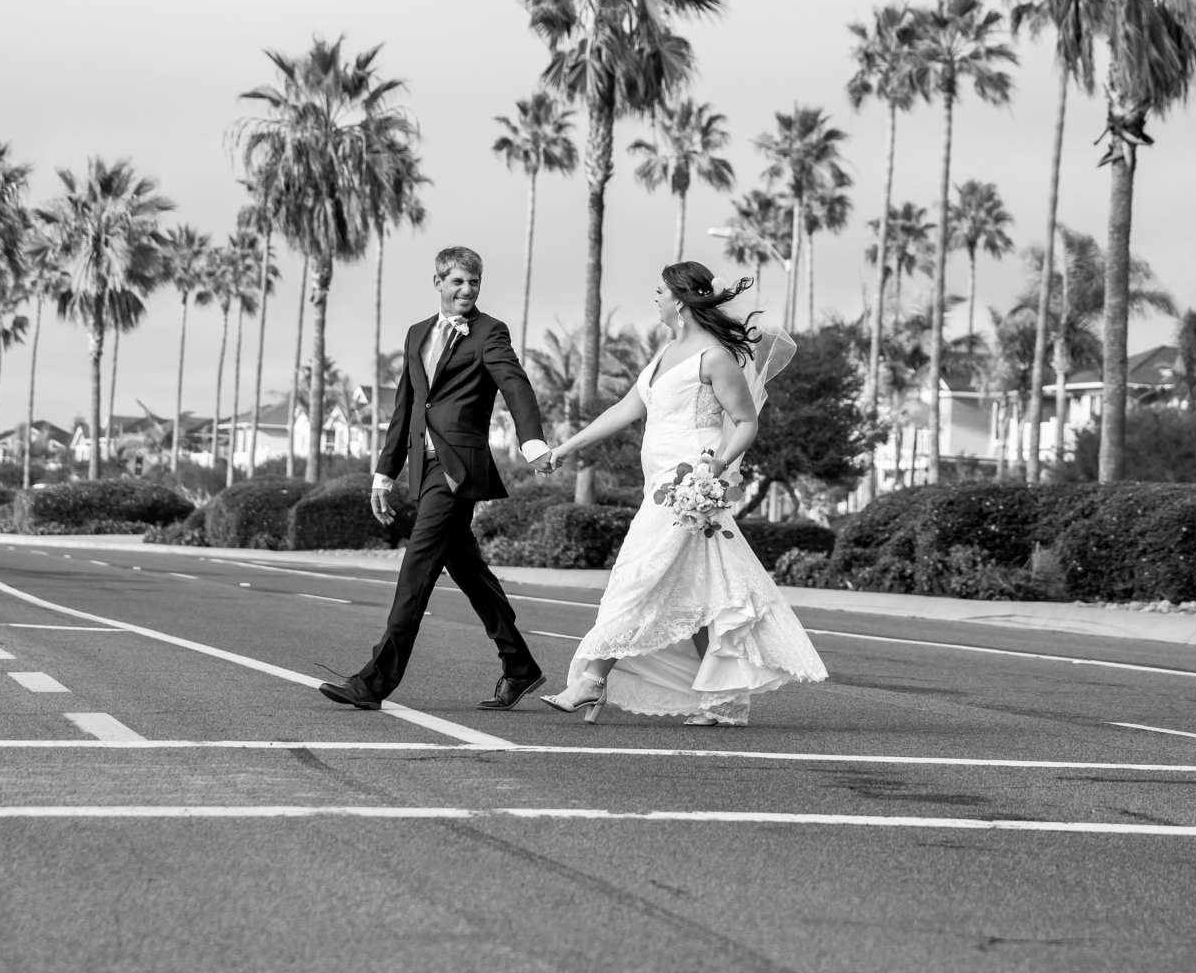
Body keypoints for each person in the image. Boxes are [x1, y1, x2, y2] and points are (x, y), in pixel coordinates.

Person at [537, 262, 827, 726]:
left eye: (659, 292)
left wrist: (716, 467)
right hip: (659, 488)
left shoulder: (713, 357)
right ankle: (723, 701)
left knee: (638, 577)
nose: (654, 298)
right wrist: (565, 448)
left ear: (680, 300)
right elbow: (625, 409)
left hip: (688, 488)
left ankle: (592, 679)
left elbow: (747, 421)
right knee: (701, 596)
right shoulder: (665, 353)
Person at [316, 245, 548, 714]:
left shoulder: (489, 332)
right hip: (423, 471)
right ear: (438, 282)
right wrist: (384, 473)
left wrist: (532, 441)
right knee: (467, 569)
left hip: (457, 470)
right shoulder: (416, 334)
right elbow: (406, 407)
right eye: (458, 282)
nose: (467, 290)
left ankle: (375, 681)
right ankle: (519, 664)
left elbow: (515, 384)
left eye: (475, 282)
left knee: (416, 568)